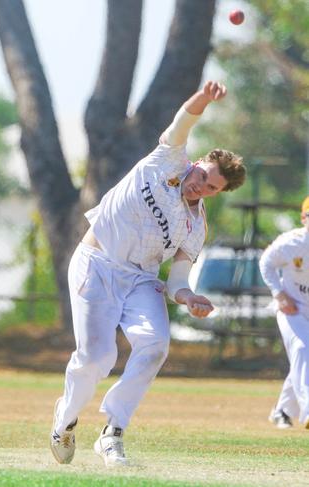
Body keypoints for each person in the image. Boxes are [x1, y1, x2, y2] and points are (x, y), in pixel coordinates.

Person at [49, 81, 247, 467]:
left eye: (211, 188)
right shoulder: (168, 159)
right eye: (204, 176)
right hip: (97, 263)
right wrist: (204, 98)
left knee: (155, 346)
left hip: (142, 280)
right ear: (200, 161)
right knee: (97, 357)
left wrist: (187, 297)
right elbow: (183, 120)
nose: (201, 187)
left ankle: (113, 431)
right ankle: (64, 421)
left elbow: (177, 279)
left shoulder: (196, 226)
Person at [260, 196, 309, 431]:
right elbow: (266, 262)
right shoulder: (292, 243)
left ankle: (283, 410)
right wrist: (279, 294)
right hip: (292, 308)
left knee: (304, 357)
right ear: (303, 218)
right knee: (302, 348)